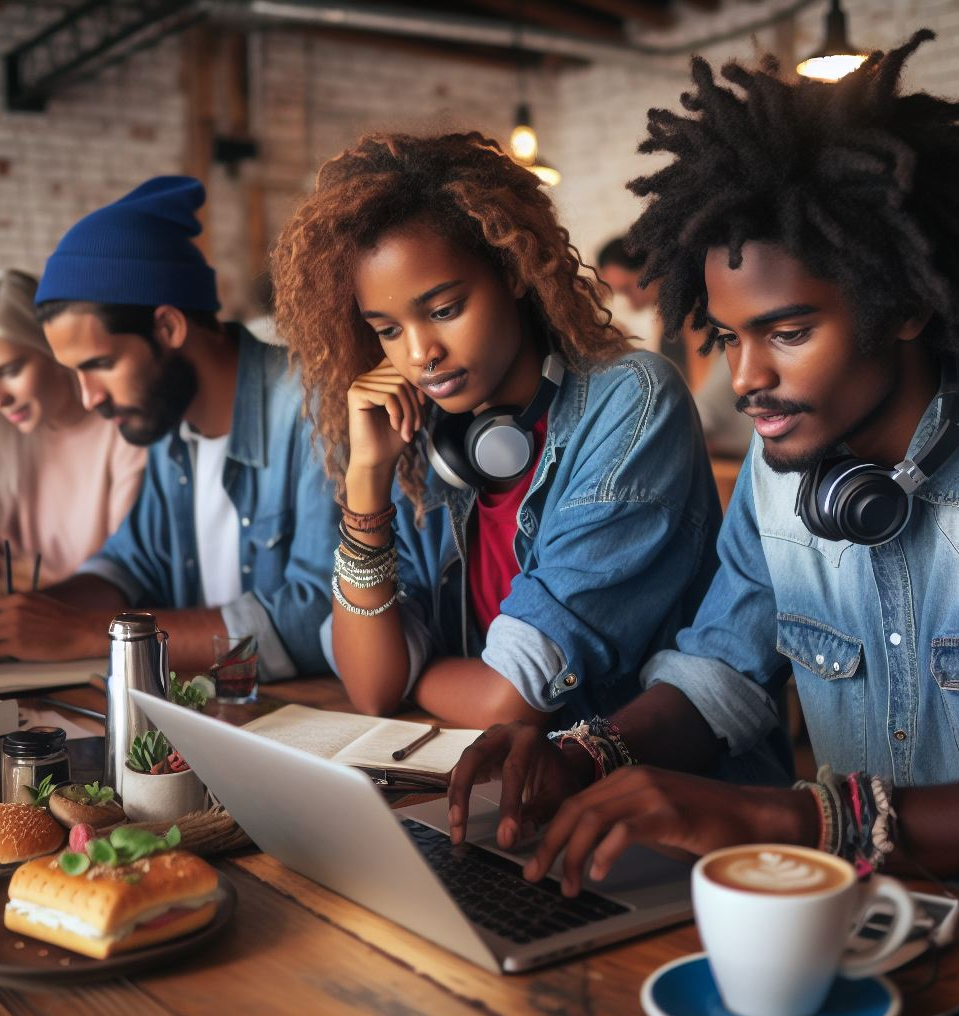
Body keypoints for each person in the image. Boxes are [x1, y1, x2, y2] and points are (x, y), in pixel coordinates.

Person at [447, 31, 959, 886]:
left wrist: (797, 817)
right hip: (853, 924)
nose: (745, 379)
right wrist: (585, 753)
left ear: (908, 304)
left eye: (790, 332)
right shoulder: (779, 480)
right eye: (729, 337)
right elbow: (720, 675)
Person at [272, 132, 722, 728]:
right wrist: (368, 479)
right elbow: (375, 689)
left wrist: (420, 670)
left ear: (510, 271)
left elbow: (509, 700)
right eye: (387, 329)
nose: (421, 354)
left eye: (444, 310)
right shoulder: (417, 437)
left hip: (640, 796)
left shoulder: (631, 401)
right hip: (490, 785)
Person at [0, 177, 337, 678]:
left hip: (313, 724)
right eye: (74, 372)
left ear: (168, 327)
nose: (89, 397)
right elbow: (132, 562)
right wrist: (31, 617)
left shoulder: (315, 408)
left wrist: (85, 633)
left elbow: (315, 621)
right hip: (212, 713)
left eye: (100, 363)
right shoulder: (168, 424)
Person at [0, 269, 145, 602]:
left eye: (10, 371)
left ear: (55, 349)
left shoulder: (126, 434)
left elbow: (129, 572)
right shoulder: (13, 434)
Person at [598, 237, 752, 458]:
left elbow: (703, 396)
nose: (628, 301)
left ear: (650, 270)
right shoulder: (665, 323)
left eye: (628, 289)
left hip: (734, 438)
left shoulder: (697, 311)